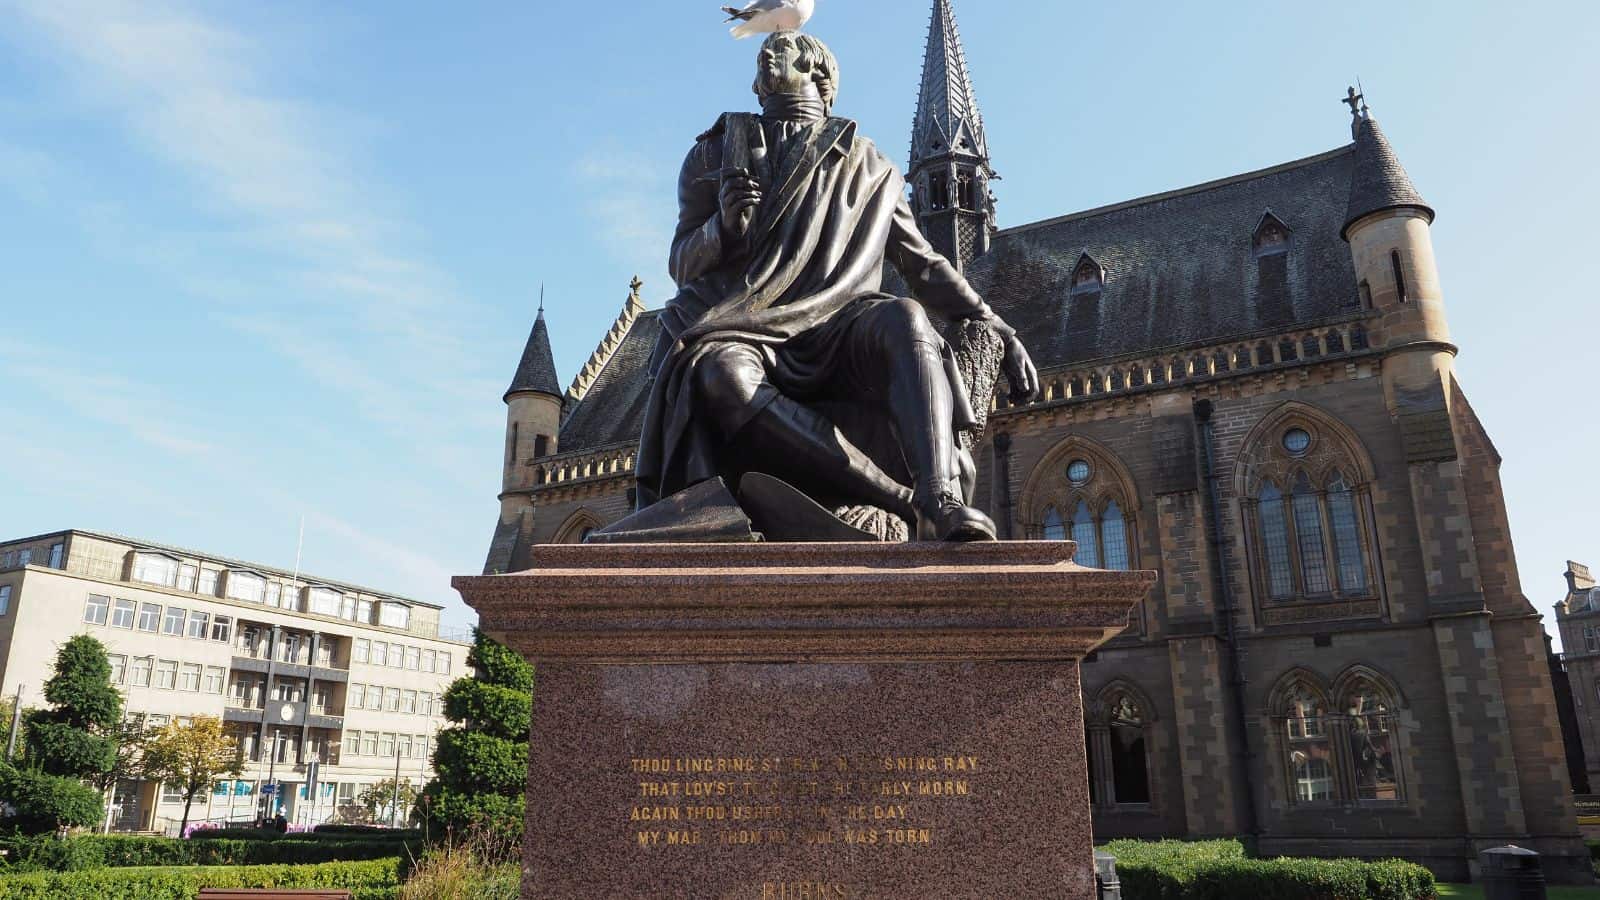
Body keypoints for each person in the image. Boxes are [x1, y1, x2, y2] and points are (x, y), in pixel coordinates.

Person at [637, 31, 1037, 540]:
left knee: (905, 316)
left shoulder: (872, 166)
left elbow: (923, 265)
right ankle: (900, 499)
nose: (769, 49)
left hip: (836, 328)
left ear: (821, 74)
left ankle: (939, 496)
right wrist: (723, 227)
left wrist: (992, 320)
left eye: (786, 47)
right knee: (719, 372)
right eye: (765, 52)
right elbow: (681, 262)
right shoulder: (715, 154)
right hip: (747, 329)